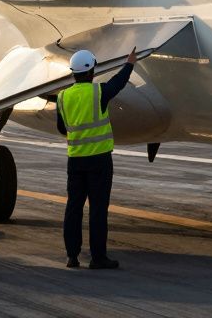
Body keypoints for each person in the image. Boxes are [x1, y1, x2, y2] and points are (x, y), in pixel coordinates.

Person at [57, 46, 138, 269]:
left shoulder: (62, 97)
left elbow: (61, 128)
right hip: (99, 161)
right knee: (98, 209)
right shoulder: (98, 92)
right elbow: (117, 83)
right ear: (92, 71)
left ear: (73, 72)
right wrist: (130, 63)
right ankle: (98, 257)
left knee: (73, 208)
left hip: (75, 161)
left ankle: (72, 256)